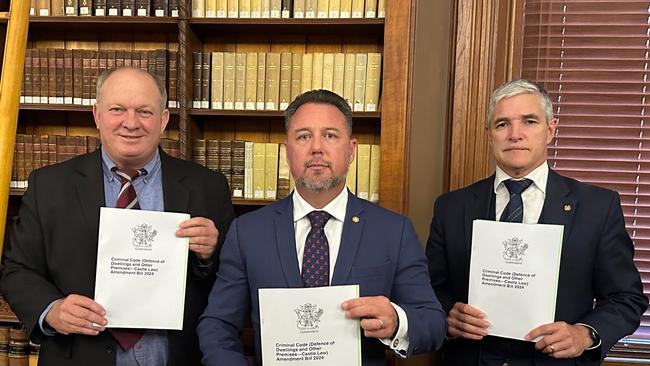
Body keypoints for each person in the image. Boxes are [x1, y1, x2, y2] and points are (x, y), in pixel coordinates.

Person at [0, 66, 235, 366]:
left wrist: (211, 255)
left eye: (145, 112)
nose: (131, 122)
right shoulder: (50, 185)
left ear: (163, 120)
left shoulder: (208, 187)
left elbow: (232, 283)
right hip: (78, 357)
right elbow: (17, 269)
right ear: (97, 115)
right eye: (117, 109)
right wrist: (53, 309)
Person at [197, 89, 446, 366]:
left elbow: (433, 322)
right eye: (303, 136)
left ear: (351, 150)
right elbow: (216, 325)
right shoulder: (247, 232)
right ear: (287, 150)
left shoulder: (393, 231)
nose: (316, 147)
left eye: (330, 135)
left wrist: (397, 321)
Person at [426, 79, 648, 365]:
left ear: (550, 130)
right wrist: (448, 317)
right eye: (502, 124)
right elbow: (429, 289)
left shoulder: (598, 207)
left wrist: (584, 335)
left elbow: (626, 298)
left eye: (529, 121)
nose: (515, 134)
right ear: (489, 134)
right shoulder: (451, 207)